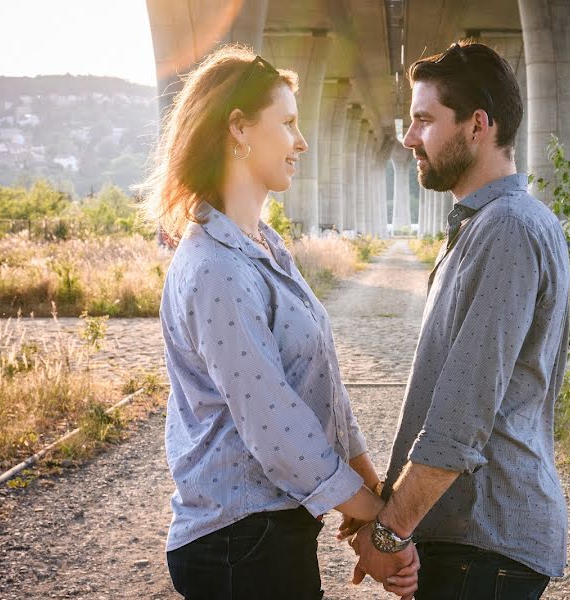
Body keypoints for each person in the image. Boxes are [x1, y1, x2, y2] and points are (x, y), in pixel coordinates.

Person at [138, 45, 419, 600]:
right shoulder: (215, 267)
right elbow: (278, 427)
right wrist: (381, 523)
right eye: (288, 123)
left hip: (265, 535)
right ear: (238, 129)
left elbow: (324, 393)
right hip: (237, 544)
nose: (301, 141)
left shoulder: (263, 248)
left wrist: (370, 498)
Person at [345, 41, 570, 599]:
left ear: (477, 125)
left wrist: (391, 531)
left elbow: (462, 412)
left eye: (424, 120)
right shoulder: (483, 226)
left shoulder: (507, 230)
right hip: (470, 541)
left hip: (484, 543)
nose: (409, 137)